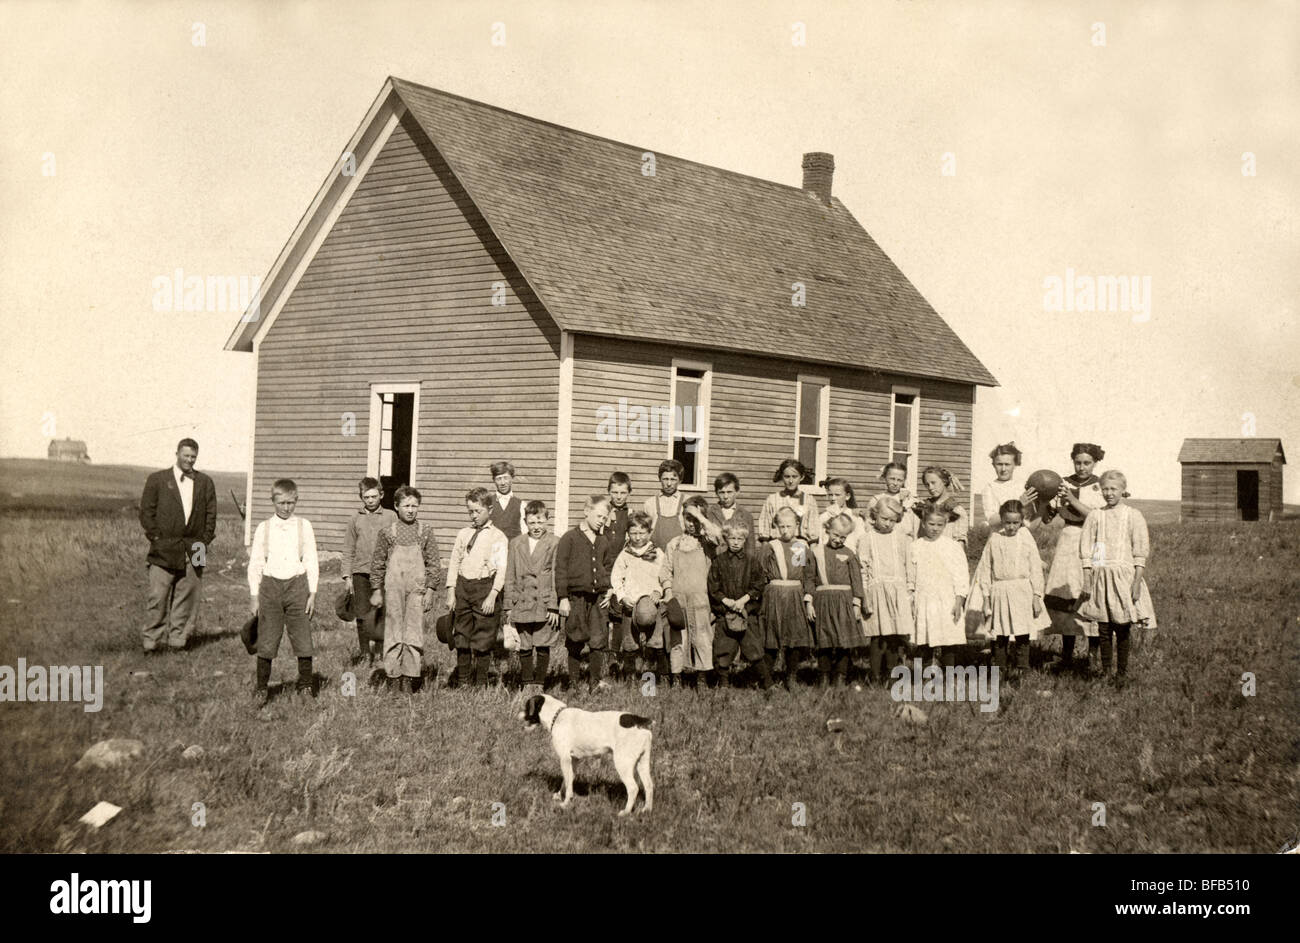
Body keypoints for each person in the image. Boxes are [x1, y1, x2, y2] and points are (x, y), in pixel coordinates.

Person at [138, 438, 216, 652]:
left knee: (188, 595)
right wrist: (156, 538)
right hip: (164, 545)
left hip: (196, 547)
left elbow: (211, 515)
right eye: (186, 456)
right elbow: (146, 512)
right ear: (177, 454)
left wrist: (205, 540)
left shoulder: (205, 482)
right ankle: (151, 642)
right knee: (158, 595)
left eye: (193, 457)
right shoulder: (157, 479)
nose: (189, 460)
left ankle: (178, 641)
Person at [1077, 471, 1157, 681]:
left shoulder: (1133, 515)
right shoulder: (1096, 516)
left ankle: (1121, 673)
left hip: (1125, 578)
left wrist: (1137, 582)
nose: (1109, 493)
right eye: (1105, 489)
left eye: (1113, 489)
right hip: (1102, 577)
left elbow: (1140, 552)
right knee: (1103, 628)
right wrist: (1090, 578)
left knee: (1122, 627)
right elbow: (1092, 550)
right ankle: (1105, 671)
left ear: (1123, 490)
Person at [247, 479, 320, 705]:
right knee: (267, 638)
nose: (286, 508)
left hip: (297, 586)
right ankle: (261, 689)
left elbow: (311, 559)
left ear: (296, 501)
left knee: (302, 637)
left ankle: (306, 686)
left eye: (290, 503)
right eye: (281, 503)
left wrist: (313, 593)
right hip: (270, 587)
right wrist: (254, 595)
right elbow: (256, 562)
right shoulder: (264, 527)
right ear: (273, 501)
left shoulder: (304, 526)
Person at [1042, 443, 1107, 670]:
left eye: (1087, 462)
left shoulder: (1101, 486)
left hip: (1095, 540)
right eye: (1078, 462)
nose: (1082, 467)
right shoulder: (1062, 483)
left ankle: (1093, 656)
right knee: (1066, 591)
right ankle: (1066, 655)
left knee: (1093, 593)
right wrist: (1042, 498)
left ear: (1095, 463)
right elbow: (1048, 516)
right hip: (1069, 540)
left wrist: (1072, 498)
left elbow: (1098, 517)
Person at [370, 485, 441, 694]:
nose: (411, 510)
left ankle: (410, 679)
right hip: (393, 588)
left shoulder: (425, 531)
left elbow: (434, 563)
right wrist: (376, 589)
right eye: (406, 506)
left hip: (417, 589)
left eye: (415, 506)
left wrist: (430, 590)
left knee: (413, 631)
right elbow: (378, 563)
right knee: (393, 630)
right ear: (396, 506)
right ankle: (393, 678)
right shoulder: (387, 533)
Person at [971, 500, 1049, 675]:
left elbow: (1035, 567)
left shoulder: (1025, 538)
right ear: (1002, 520)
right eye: (1008, 522)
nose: (1012, 527)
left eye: (1016, 523)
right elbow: (986, 569)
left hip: (1022, 590)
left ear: (1022, 521)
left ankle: (1023, 669)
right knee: (1000, 633)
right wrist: (986, 598)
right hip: (999, 590)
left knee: (1022, 632)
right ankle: (1000, 668)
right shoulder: (995, 539)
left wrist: (1037, 596)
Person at [555, 494, 614, 691]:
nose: (601, 521)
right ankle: (573, 683)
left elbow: (607, 567)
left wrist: (609, 589)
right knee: (575, 638)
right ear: (586, 511)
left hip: (597, 599)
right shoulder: (569, 538)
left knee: (598, 640)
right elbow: (561, 569)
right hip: (576, 598)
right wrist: (563, 597)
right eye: (599, 516)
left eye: (605, 518)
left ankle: (594, 682)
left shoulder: (603, 540)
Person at [502, 500, 560, 693]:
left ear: (547, 521)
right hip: (522, 601)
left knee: (542, 644)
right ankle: (527, 682)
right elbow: (509, 574)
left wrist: (553, 605)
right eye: (532, 522)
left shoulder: (554, 542)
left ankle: (540, 683)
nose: (536, 527)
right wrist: (509, 605)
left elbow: (556, 576)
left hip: (543, 602)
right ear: (525, 522)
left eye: (540, 522)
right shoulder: (516, 543)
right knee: (524, 643)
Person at [856, 496, 914, 684]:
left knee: (894, 635)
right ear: (875, 516)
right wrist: (864, 595)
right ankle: (874, 675)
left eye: (892, 520)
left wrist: (910, 590)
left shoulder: (902, 538)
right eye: (884, 519)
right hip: (876, 591)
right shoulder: (866, 539)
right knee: (877, 634)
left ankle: (890, 674)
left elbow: (909, 565)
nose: (888, 523)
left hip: (898, 590)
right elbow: (862, 569)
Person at [660, 495, 716, 687]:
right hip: (678, 599)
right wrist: (668, 593)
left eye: (694, 519)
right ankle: (677, 678)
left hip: (701, 600)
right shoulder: (674, 543)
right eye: (687, 518)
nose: (690, 523)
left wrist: (701, 518)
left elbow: (720, 536)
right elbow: (665, 571)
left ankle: (701, 678)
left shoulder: (707, 543)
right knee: (677, 640)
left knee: (702, 638)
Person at [758, 506, 817, 689]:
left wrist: (808, 600)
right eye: (781, 526)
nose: (785, 530)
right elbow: (760, 574)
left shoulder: (800, 547)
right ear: (776, 526)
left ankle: (791, 676)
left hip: (794, 596)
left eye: (789, 526)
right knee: (771, 638)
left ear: (797, 525)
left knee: (794, 638)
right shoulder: (770, 547)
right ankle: (766, 678)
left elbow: (805, 575)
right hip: (774, 595)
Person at [707, 519, 770, 688]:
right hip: (725, 612)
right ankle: (724, 683)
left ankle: (767, 683)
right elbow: (713, 587)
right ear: (726, 539)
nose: (735, 542)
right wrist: (727, 601)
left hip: (746, 612)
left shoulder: (752, 561)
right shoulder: (718, 562)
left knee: (754, 649)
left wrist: (743, 600)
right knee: (724, 649)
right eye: (732, 538)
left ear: (745, 540)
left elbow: (758, 585)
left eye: (740, 539)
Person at [340, 477, 396, 665]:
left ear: (381, 495)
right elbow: (348, 548)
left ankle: (381, 653)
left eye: (374, 496)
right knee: (362, 614)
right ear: (361, 498)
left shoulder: (390, 516)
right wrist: (347, 576)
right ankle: (365, 654)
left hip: (383, 574)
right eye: (366, 497)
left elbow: (396, 545)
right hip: (360, 573)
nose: (370, 500)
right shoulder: (355, 519)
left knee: (381, 612)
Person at [609, 511, 668, 684]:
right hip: (631, 604)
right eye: (633, 533)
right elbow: (616, 577)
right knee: (629, 643)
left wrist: (659, 591)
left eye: (642, 533)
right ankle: (630, 678)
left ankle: (653, 682)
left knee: (655, 642)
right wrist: (622, 596)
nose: (637, 537)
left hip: (652, 605)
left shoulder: (656, 553)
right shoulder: (625, 553)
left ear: (649, 533)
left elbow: (664, 574)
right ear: (628, 533)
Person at [908, 503, 969, 668]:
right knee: (925, 637)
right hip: (924, 598)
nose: (935, 528)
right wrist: (911, 598)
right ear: (923, 523)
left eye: (940, 525)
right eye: (931, 524)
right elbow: (911, 577)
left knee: (948, 637)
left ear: (946, 524)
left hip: (946, 598)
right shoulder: (915, 546)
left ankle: (948, 673)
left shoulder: (953, 547)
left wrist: (959, 600)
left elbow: (961, 575)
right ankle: (925, 673)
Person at [810, 513, 866, 687]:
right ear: (827, 530)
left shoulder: (849, 554)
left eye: (843, 537)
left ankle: (841, 676)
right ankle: (824, 676)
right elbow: (809, 578)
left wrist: (857, 603)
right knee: (824, 641)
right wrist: (808, 602)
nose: (838, 540)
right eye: (835, 535)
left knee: (844, 641)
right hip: (823, 601)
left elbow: (857, 580)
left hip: (844, 603)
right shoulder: (816, 552)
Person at [979, 442, 1037, 532]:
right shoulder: (989, 488)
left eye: (1007, 464)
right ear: (993, 465)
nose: (1003, 469)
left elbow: (1030, 525)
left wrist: (1043, 504)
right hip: (1000, 537)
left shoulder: (1022, 487)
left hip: (1022, 538)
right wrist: (1019, 504)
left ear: (1015, 465)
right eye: (999, 464)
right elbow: (992, 520)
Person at [758, 458, 819, 543]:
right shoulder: (772, 499)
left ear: (801, 477)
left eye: (794, 477)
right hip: (777, 544)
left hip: (800, 545)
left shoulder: (808, 500)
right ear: (782, 477)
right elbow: (765, 531)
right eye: (787, 477)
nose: (790, 481)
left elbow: (813, 533)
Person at [905, 466, 968, 544]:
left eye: (933, 483)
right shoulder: (922, 507)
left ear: (944, 481)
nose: (930, 488)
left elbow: (960, 541)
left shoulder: (956, 510)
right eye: (927, 485)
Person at [704, 472, 756, 554]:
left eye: (729, 492)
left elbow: (750, 547)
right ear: (716, 493)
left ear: (737, 492)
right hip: (715, 561)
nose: (725, 497)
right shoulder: (709, 513)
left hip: (738, 562)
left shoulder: (746, 516)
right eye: (722, 492)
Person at [643, 459, 686, 551]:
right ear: (660, 479)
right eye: (665, 479)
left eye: (673, 479)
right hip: (655, 555)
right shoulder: (650, 503)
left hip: (679, 555)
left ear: (680, 480)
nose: (669, 484)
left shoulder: (686, 502)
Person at [817, 477, 867, 544]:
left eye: (837, 495)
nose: (833, 498)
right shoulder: (823, 517)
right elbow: (821, 540)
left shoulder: (855, 517)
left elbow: (861, 541)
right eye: (830, 495)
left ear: (847, 496)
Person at [488, 461, 527, 540]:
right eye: (499, 479)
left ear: (512, 478)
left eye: (506, 478)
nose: (503, 483)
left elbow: (525, 533)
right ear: (494, 480)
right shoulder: (487, 503)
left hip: (513, 550)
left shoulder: (522, 505)